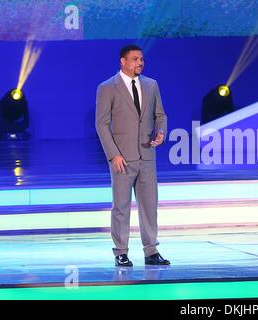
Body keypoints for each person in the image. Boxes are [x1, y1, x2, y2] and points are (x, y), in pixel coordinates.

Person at [95, 44, 169, 266]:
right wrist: (113, 154)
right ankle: (120, 251)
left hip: (147, 156)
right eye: (135, 59)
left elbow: (160, 115)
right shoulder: (108, 87)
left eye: (141, 59)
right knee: (121, 206)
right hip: (122, 159)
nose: (140, 63)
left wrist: (161, 132)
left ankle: (151, 251)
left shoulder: (151, 85)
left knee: (149, 205)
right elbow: (102, 124)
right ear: (123, 61)